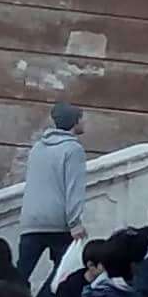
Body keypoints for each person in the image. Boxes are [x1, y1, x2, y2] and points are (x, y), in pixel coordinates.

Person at [15, 102, 90, 283]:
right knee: (62, 274)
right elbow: (74, 188)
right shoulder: (73, 149)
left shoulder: (38, 148)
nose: (85, 123)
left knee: (20, 273)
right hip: (58, 222)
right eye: (82, 119)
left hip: (30, 219)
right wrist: (75, 222)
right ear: (76, 121)